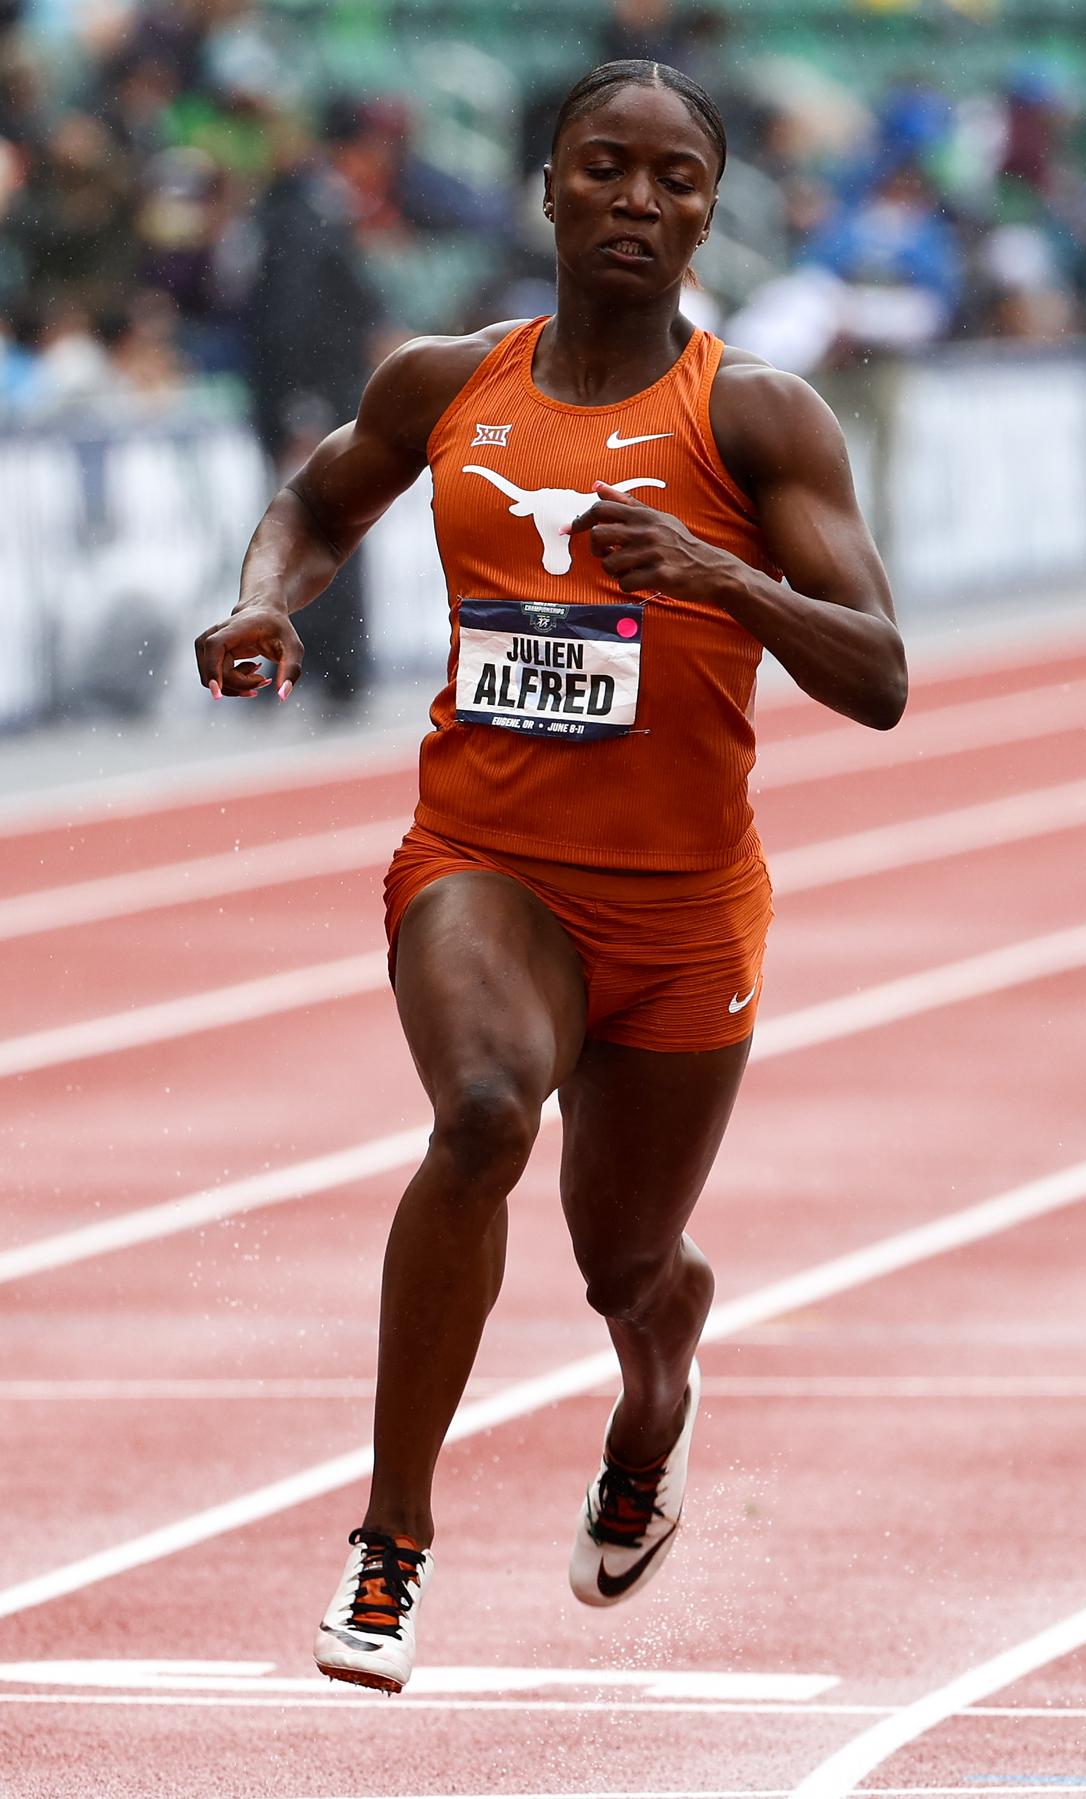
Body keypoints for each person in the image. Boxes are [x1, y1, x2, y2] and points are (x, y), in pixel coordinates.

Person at [195, 58, 906, 1694]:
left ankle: (653, 1409)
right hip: (485, 862)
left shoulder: (756, 416)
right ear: (548, 188)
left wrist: (719, 574)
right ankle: (390, 1546)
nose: (638, 203)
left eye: (675, 178)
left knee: (628, 1270)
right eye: (606, 169)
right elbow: (315, 500)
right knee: (484, 1115)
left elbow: (877, 675)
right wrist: (264, 601)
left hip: (682, 910)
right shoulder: (447, 384)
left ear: (713, 208)